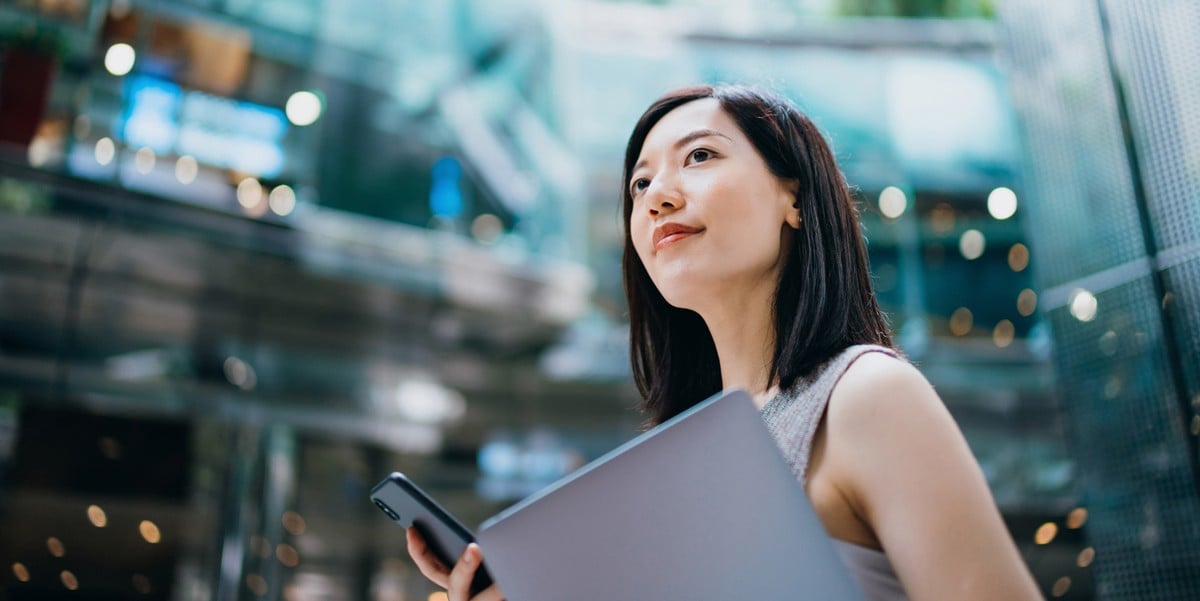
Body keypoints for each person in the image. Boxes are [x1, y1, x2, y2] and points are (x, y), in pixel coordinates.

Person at [407, 84, 1045, 601]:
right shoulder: (674, 470)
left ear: (793, 197)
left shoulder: (866, 396)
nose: (656, 195)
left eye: (699, 156)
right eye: (638, 185)